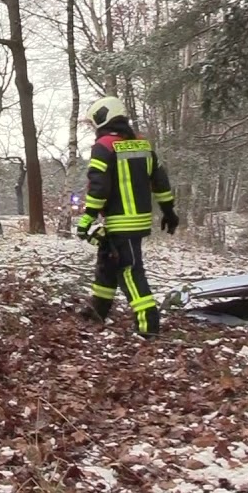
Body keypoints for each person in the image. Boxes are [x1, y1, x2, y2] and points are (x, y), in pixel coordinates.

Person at [76, 95, 179, 338]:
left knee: (129, 270)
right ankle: (98, 309)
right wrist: (168, 211)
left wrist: (87, 218)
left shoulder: (104, 146)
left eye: (94, 123)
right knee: (107, 264)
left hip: (120, 221)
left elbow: (98, 187)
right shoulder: (143, 145)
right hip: (137, 220)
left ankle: (148, 324)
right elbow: (160, 182)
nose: (94, 129)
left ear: (103, 118)